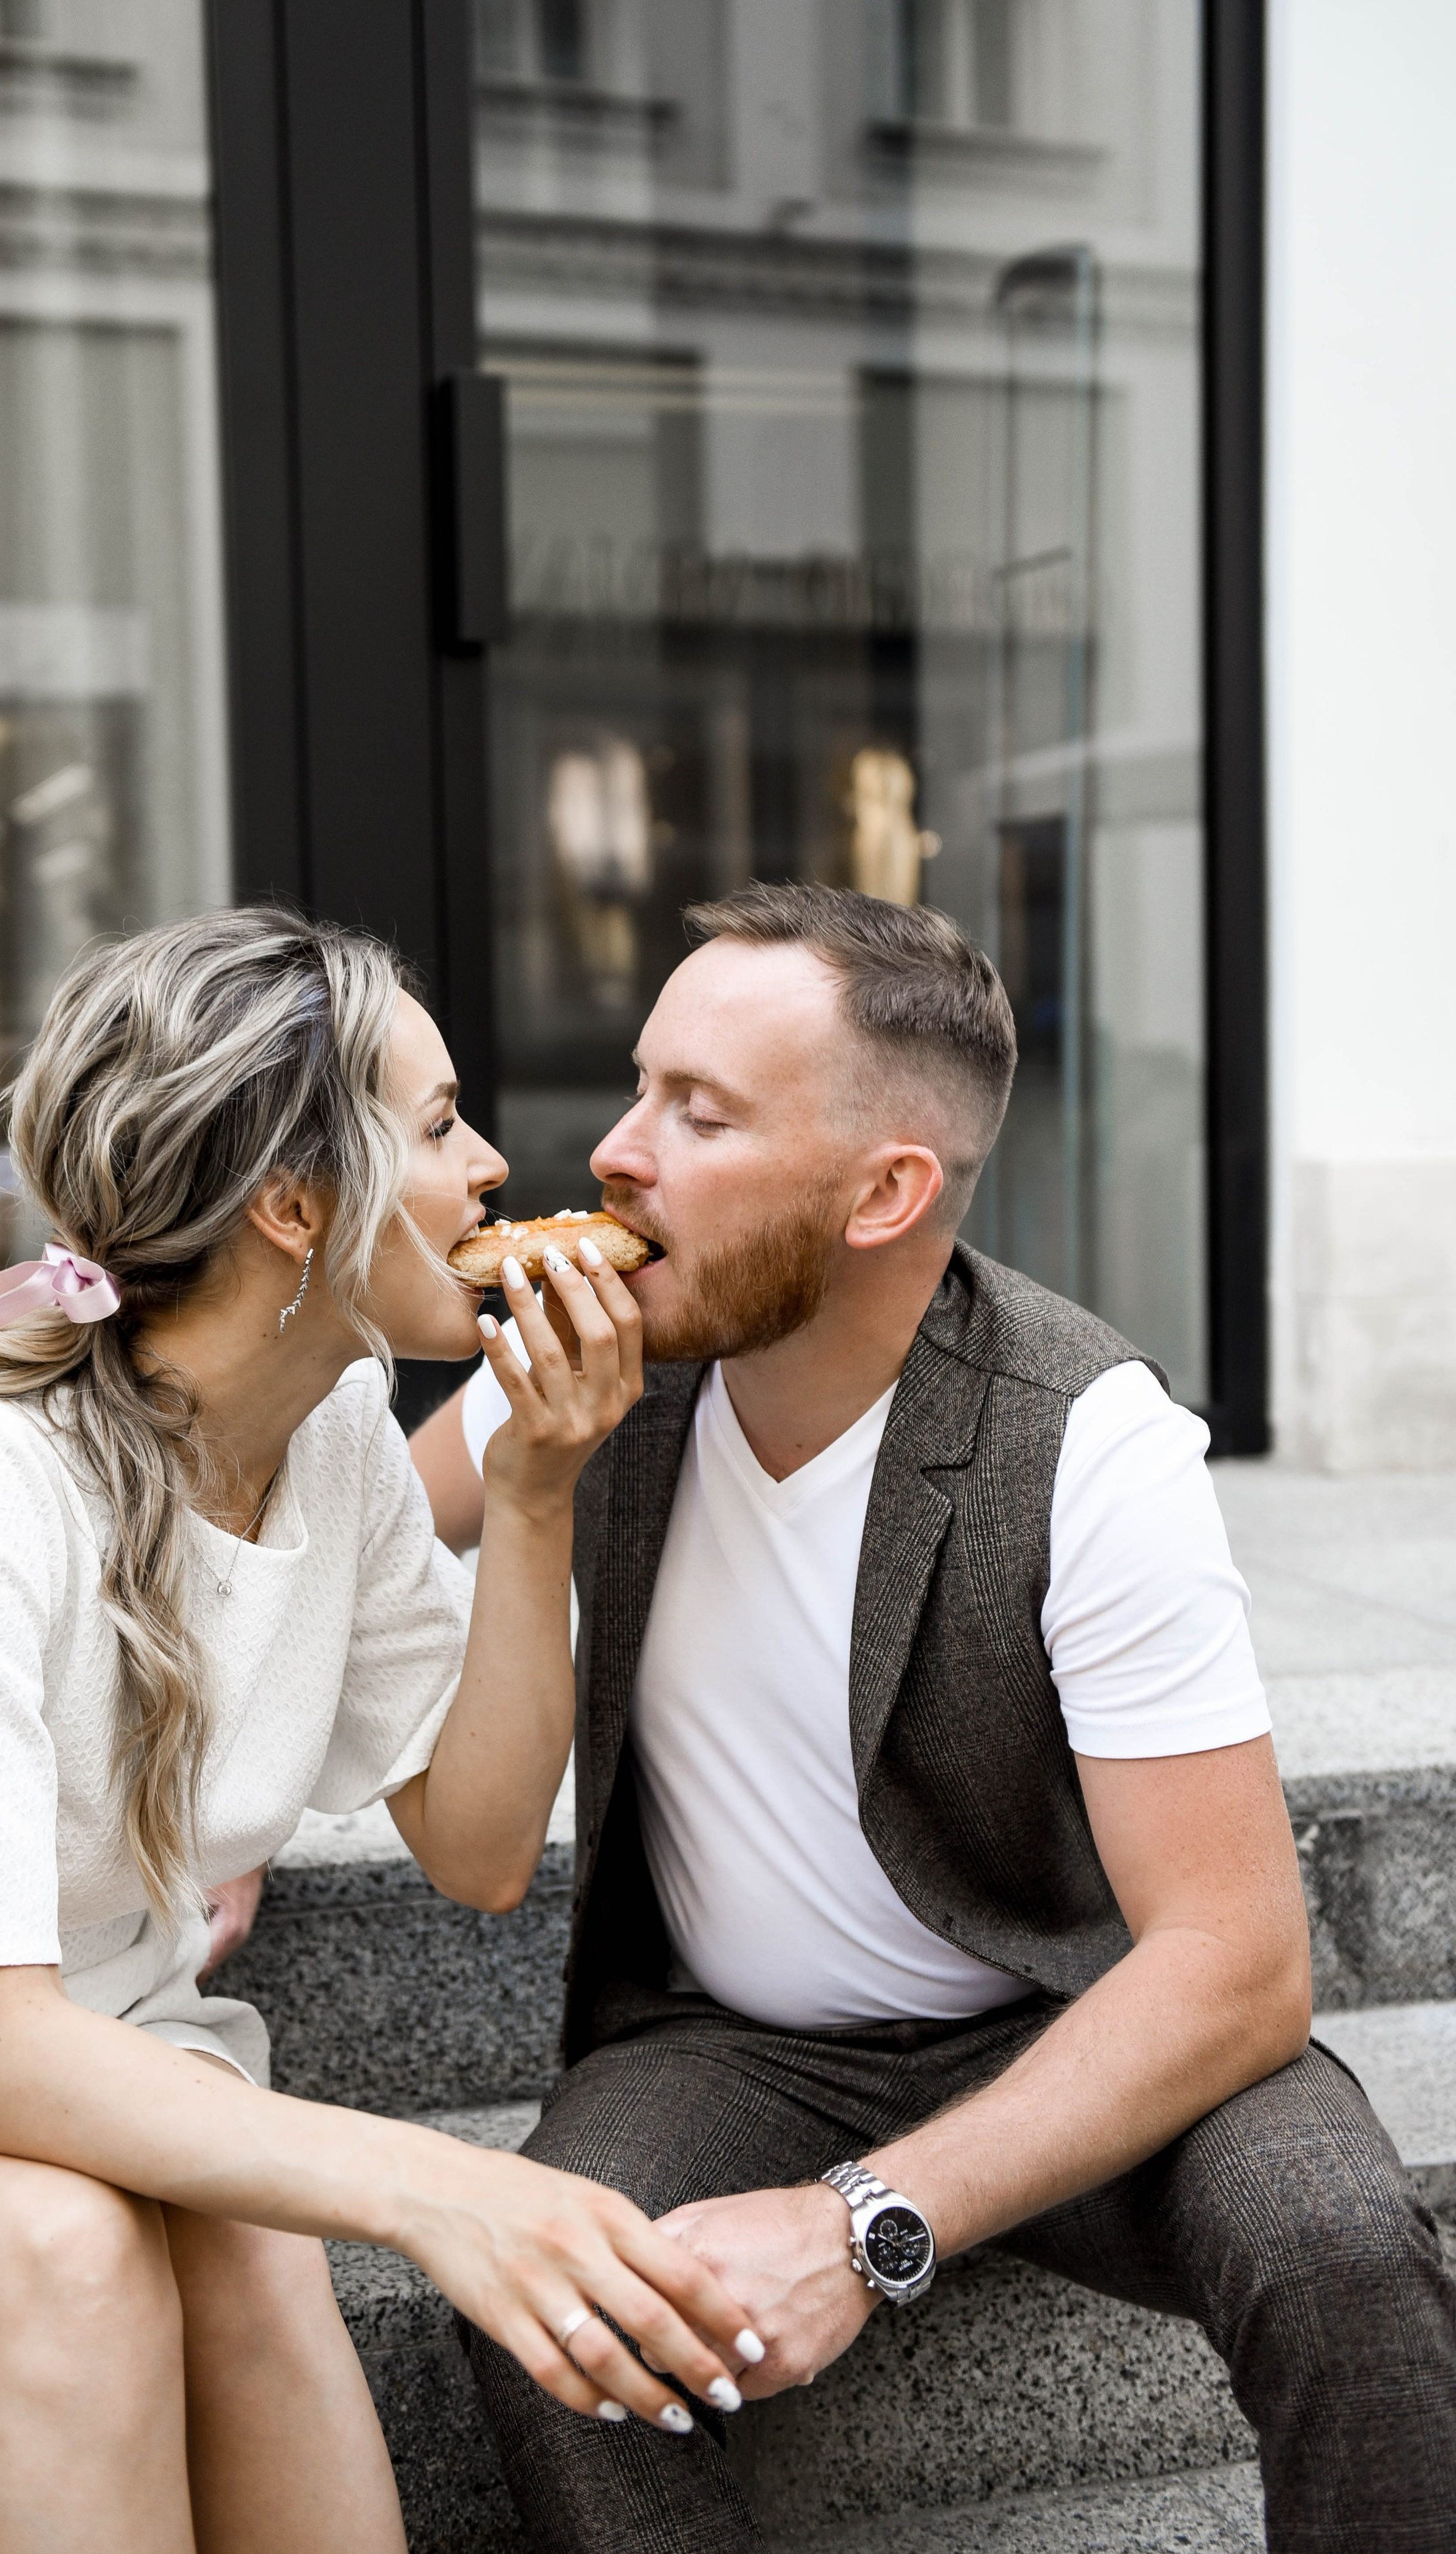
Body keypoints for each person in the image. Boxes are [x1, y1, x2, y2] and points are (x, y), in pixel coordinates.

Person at [409, 882, 1456, 2552]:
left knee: (1339, 2240)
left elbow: (1237, 1961)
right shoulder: (594, 1354)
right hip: (725, 2042)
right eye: (638, 1084)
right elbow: (339, 1560)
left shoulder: (1087, 1441)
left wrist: (861, 2223)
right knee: (547, 2300)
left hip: (1065, 2014)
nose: (612, 1151)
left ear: (884, 1190)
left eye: (700, 1112)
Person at [0, 908, 760, 2553]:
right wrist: (443, 2187)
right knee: (70, 2251)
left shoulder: (340, 1429)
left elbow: (484, 1846)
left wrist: (528, 1494)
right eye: (436, 1127)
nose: (495, 1162)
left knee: (231, 2218)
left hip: (105, 2071)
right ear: (296, 1207)